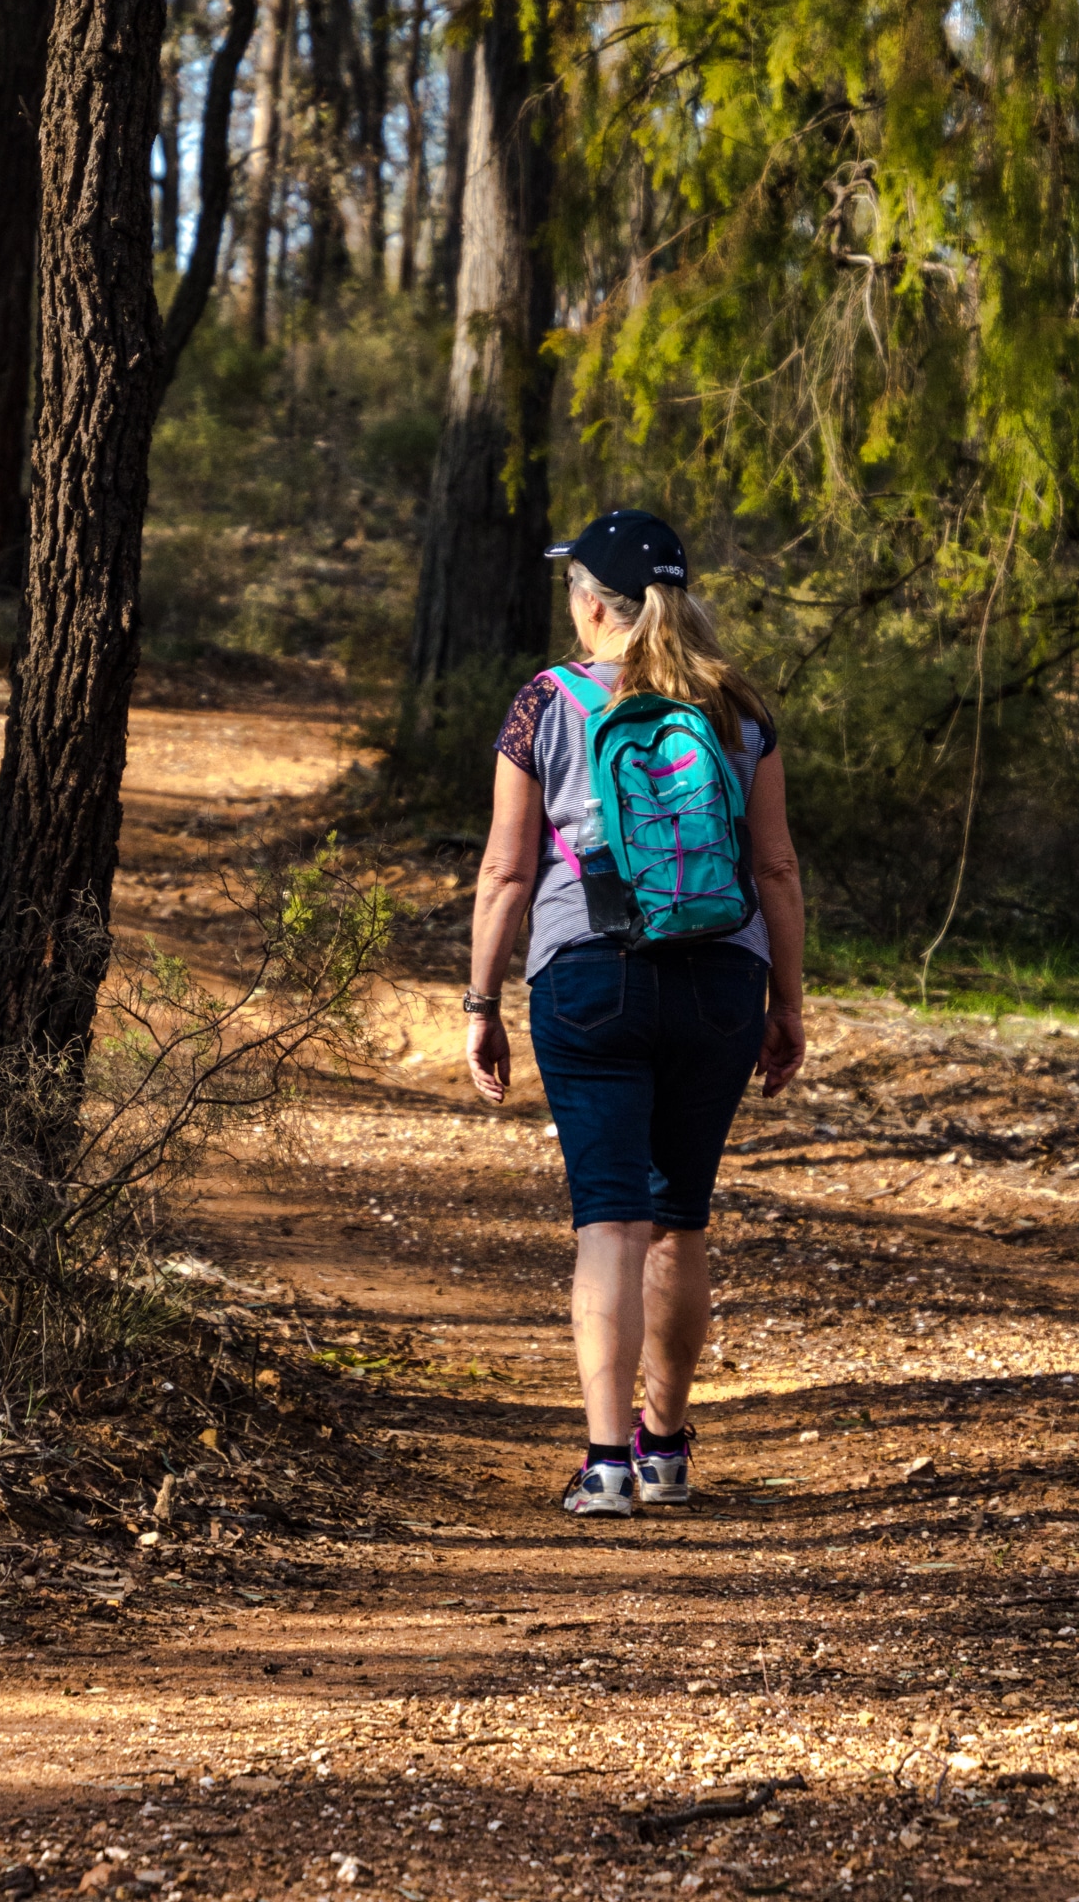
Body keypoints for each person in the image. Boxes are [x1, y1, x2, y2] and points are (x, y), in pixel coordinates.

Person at [463, 509, 806, 1516]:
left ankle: (604, 1465)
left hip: (587, 979)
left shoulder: (547, 703)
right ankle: (664, 1452)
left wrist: (481, 1002)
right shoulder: (739, 708)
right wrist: (784, 1004)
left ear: (595, 602)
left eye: (574, 584)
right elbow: (776, 869)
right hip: (718, 982)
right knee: (680, 1223)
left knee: (608, 1220)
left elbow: (504, 871)